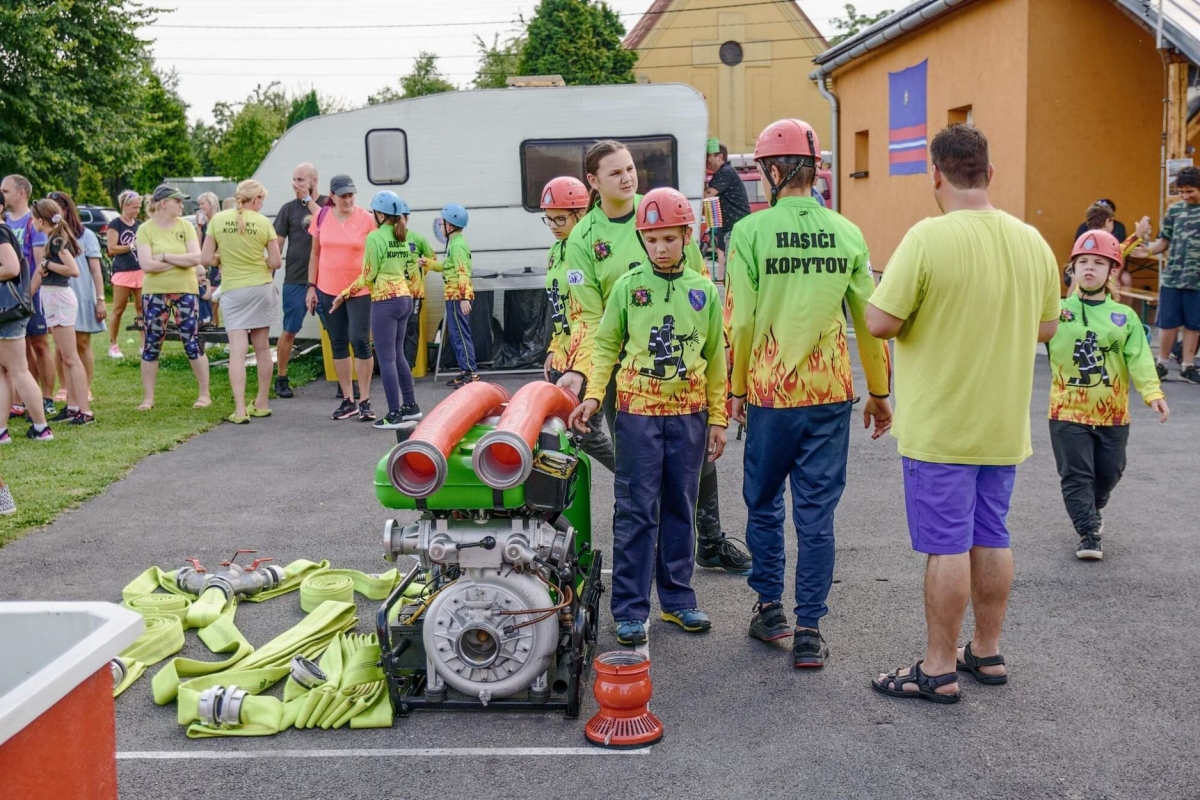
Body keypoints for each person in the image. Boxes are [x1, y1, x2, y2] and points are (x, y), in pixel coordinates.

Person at [865, 124, 1061, 703]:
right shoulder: (1032, 242)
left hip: (943, 426)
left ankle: (938, 667)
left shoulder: (927, 237)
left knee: (946, 545)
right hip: (1002, 424)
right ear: (989, 173)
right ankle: (987, 651)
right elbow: (1047, 327)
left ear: (935, 175)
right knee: (991, 535)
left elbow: (880, 321)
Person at [725, 118, 892, 668]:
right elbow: (868, 322)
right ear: (814, 169)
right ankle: (809, 631)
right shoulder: (847, 232)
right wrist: (881, 391)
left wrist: (734, 388)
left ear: (772, 171)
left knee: (764, 503)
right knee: (817, 515)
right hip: (829, 394)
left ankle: (769, 608)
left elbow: (743, 323)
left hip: (770, 394)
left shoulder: (750, 233)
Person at [566, 139, 751, 576]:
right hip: (625, 372)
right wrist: (586, 376)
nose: (627, 177)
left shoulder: (664, 213)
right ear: (593, 182)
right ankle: (642, 558)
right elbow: (590, 320)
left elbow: (700, 290)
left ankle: (709, 539)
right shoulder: (584, 239)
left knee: (702, 458)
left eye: (629, 168)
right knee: (637, 468)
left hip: (685, 364)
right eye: (615, 173)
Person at [567, 187, 727, 645]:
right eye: (651, 239)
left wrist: (718, 417)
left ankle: (678, 600)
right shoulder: (628, 288)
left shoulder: (704, 292)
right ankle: (631, 608)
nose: (660, 248)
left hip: (690, 415)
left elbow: (716, 357)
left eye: (669, 239)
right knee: (636, 510)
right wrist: (595, 396)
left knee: (681, 505)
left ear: (685, 237)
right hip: (636, 415)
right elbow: (605, 347)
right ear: (642, 240)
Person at [1047, 230, 1169, 561]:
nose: (1089, 267)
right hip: (1066, 412)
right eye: (1082, 261)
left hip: (1113, 414)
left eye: (1098, 262)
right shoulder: (1056, 312)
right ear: (1072, 268)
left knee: (1110, 471)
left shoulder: (1125, 317)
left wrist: (1152, 392)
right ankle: (1089, 533)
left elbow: (1140, 358)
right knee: (1076, 475)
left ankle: (1093, 506)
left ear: (1112, 270)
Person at [540, 175, 615, 473]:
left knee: (586, 433)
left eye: (560, 218)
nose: (554, 226)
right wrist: (553, 349)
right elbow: (559, 307)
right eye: (548, 220)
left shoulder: (591, 250)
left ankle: (640, 485)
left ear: (580, 213)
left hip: (588, 355)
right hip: (563, 356)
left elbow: (592, 311)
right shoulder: (556, 251)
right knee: (563, 433)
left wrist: (583, 363)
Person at [331, 191, 421, 429]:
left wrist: (343, 294)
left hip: (385, 301)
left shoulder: (374, 238)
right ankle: (411, 406)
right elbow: (408, 267)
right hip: (405, 298)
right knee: (398, 354)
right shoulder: (403, 235)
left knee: (387, 358)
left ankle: (394, 414)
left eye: (374, 212)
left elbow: (368, 276)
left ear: (381, 214)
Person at [201, 180, 281, 424]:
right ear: (255, 199)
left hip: (234, 290)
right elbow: (276, 262)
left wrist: (222, 259)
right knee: (262, 347)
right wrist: (262, 263)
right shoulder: (263, 222)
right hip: (261, 288)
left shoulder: (217, 220)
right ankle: (262, 402)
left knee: (237, 350)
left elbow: (205, 258)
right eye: (262, 200)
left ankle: (239, 409)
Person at [306, 174, 377, 421]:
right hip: (327, 288)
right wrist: (311, 287)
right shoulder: (321, 216)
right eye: (343, 195)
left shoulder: (367, 219)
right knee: (337, 341)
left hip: (359, 290)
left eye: (351, 195)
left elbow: (377, 252)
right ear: (332, 196)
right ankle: (348, 399)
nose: (348, 199)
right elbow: (315, 254)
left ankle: (365, 399)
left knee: (359, 340)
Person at [136, 184, 211, 411]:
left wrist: (166, 257)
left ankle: (204, 394)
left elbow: (196, 258)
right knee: (152, 344)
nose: (181, 205)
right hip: (155, 293)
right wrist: (181, 262)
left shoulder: (186, 226)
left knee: (191, 341)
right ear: (163, 203)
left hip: (185, 291)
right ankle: (148, 398)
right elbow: (146, 265)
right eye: (177, 201)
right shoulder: (146, 229)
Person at [29, 198, 93, 425]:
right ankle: (73, 406)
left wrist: (48, 265)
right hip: (52, 296)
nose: (32, 222)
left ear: (40, 219)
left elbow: (73, 270)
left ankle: (85, 410)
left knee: (70, 357)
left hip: (60, 297)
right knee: (65, 356)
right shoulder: (52, 239)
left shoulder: (56, 240)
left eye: (33, 218)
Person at [273, 163, 326, 399]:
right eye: (294, 179)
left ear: (314, 181)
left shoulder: (327, 204)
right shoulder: (287, 210)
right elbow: (277, 246)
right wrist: (269, 277)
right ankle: (282, 378)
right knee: (290, 330)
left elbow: (328, 222)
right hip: (295, 279)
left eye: (301, 180)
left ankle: (344, 383)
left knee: (337, 332)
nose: (296, 184)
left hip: (326, 280)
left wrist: (306, 200)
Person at [2, 174, 53, 418]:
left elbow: (40, 262)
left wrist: (27, 295)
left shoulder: (31, 223)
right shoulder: (6, 222)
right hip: (10, 298)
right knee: (18, 356)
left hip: (28, 293)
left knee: (40, 345)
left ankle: (48, 398)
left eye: (6, 190)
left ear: (21, 193)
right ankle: (18, 401)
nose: (3, 195)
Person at [48, 190, 106, 403]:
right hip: (56, 294)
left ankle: (85, 387)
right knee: (61, 347)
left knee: (82, 343)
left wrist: (100, 298)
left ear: (66, 209)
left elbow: (96, 270)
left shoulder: (85, 235)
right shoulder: (49, 236)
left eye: (58, 209)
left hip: (81, 294)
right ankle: (64, 387)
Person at [1147, 166, 1200, 383]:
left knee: (1194, 325)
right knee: (1167, 322)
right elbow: (1164, 241)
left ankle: (1188, 365)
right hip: (1172, 277)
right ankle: (1162, 363)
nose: (1186, 196)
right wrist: (1148, 250)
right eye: (1182, 192)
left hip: (1197, 281)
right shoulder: (1174, 211)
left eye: (1191, 191)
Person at [425, 203, 477, 386]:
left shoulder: (458, 245)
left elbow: (463, 271)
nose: (441, 226)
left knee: (461, 335)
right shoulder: (453, 244)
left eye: (443, 223)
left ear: (451, 225)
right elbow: (446, 266)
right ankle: (465, 371)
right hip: (453, 296)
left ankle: (470, 373)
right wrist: (428, 263)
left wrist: (464, 297)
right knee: (456, 335)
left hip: (457, 297)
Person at [107, 190, 144, 358]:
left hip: (140, 270)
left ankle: (144, 344)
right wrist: (131, 246)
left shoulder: (140, 225)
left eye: (139, 207)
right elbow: (111, 248)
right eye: (135, 207)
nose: (137, 210)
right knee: (118, 309)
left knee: (142, 308)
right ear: (125, 206)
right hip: (122, 271)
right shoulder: (115, 224)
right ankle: (113, 344)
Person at [704, 139, 751, 264]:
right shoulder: (723, 172)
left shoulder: (725, 172)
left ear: (719, 157)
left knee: (732, 266)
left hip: (734, 228)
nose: (706, 160)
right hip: (731, 228)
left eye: (708, 156)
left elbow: (707, 195)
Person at [401, 208, 437, 370]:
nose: (397, 222)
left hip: (414, 294)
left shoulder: (417, 239)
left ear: (406, 219)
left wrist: (420, 273)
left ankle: (408, 368)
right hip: (392, 294)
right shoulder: (385, 240)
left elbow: (432, 258)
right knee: (395, 332)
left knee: (411, 329)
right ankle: (397, 368)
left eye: (400, 218)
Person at [195, 191, 222, 331]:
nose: (201, 207)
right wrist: (199, 228)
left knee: (214, 299)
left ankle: (215, 329)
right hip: (207, 264)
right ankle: (212, 329)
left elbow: (221, 245)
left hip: (218, 265)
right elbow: (199, 246)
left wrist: (212, 258)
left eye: (202, 204)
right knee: (210, 301)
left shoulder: (219, 221)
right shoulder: (205, 223)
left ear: (211, 204)